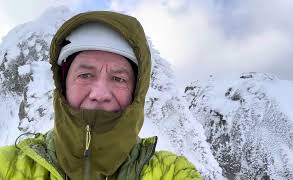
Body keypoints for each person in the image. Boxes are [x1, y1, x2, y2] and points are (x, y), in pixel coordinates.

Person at [0, 11, 203, 180]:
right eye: (85, 75)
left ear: (136, 91)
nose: (100, 93)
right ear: (63, 86)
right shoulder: (7, 166)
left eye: (118, 78)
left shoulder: (172, 172)